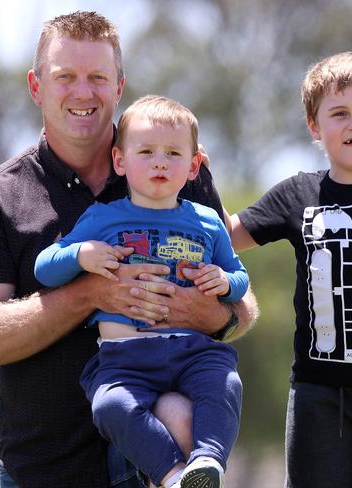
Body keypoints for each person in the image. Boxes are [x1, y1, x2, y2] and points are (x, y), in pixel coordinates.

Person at [0, 11, 257, 488]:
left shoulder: (175, 170)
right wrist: (90, 294)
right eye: (64, 77)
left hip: (161, 471)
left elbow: (242, 308)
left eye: (98, 77)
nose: (82, 92)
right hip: (43, 471)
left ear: (119, 87)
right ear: (36, 86)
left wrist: (209, 311)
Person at [228, 51, 352, 487]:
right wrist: (185, 175)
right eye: (339, 113)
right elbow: (225, 234)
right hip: (319, 393)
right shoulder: (297, 194)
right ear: (315, 126)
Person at [34, 95, 246, 488]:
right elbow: (45, 268)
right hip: (123, 358)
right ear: (120, 161)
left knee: (226, 384)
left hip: (192, 351)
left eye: (173, 153)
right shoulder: (104, 216)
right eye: (146, 152)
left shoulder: (208, 222)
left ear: (194, 165)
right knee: (110, 405)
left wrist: (225, 280)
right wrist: (81, 254)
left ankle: (208, 460)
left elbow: (239, 276)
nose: (160, 162)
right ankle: (173, 475)